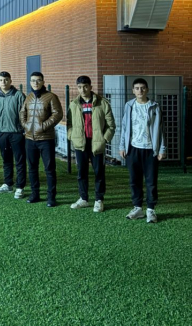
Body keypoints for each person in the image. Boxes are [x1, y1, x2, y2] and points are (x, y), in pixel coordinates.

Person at [120, 78, 166, 223]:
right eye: (137, 88)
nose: (140, 90)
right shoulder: (129, 106)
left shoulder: (154, 106)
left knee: (151, 181)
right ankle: (138, 208)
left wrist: (161, 149)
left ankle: (151, 210)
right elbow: (124, 127)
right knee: (134, 180)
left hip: (150, 150)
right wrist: (122, 146)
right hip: (133, 149)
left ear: (147, 90)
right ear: (133, 91)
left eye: (142, 88)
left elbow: (161, 129)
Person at [67, 76, 116, 212]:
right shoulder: (74, 104)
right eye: (79, 87)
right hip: (80, 143)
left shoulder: (102, 103)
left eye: (85, 86)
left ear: (90, 87)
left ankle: (99, 200)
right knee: (81, 172)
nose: (82, 90)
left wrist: (104, 139)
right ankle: (83, 198)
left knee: (99, 172)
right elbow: (69, 124)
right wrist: (72, 137)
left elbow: (111, 125)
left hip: (97, 143)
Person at [20, 72, 63, 207]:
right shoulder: (29, 97)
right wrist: (26, 125)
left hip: (46, 138)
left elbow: (57, 114)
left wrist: (43, 126)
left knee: (49, 169)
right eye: (33, 80)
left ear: (43, 82)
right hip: (29, 139)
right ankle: (35, 194)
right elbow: (22, 113)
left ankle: (51, 197)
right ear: (30, 82)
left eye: (38, 80)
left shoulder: (51, 97)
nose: (36, 83)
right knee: (32, 168)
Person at [0, 71, 26, 196]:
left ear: (10, 81)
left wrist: (23, 131)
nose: (3, 82)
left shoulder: (19, 95)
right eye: (1, 80)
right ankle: (8, 184)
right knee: (6, 160)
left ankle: (20, 187)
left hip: (16, 133)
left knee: (19, 161)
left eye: (5, 80)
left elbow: (26, 114)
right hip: (1, 134)